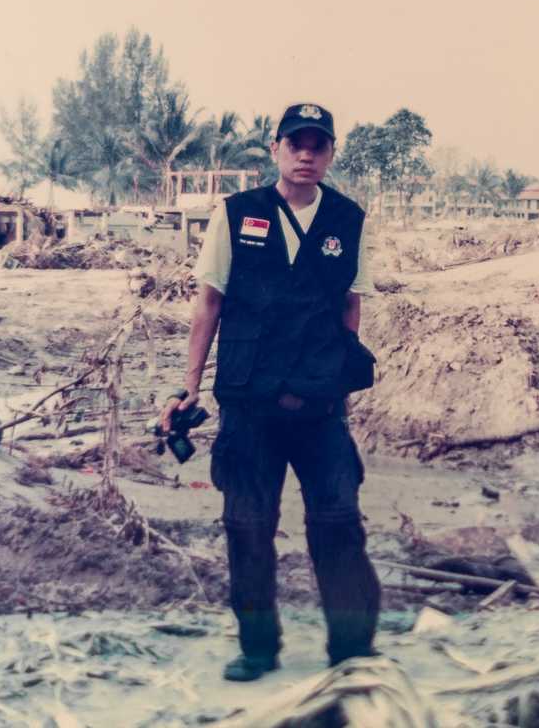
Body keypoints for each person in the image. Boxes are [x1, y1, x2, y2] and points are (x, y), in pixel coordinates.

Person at [160, 102, 381, 682]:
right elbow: (209, 301)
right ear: (276, 149)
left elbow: (350, 306)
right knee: (248, 525)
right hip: (249, 402)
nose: (306, 154)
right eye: (295, 144)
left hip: (319, 407)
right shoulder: (236, 214)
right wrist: (189, 385)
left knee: (337, 521)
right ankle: (258, 647)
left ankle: (352, 650)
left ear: (331, 153)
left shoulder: (349, 220)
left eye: (318, 145)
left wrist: (338, 381)